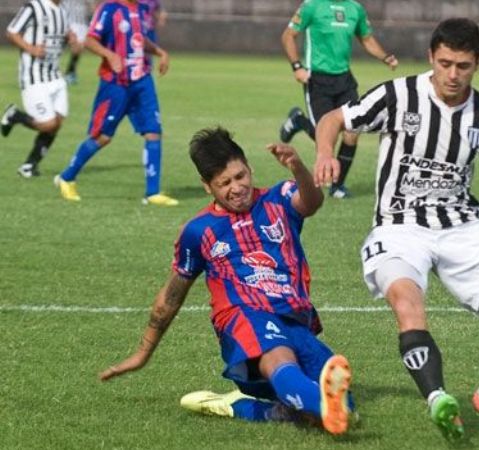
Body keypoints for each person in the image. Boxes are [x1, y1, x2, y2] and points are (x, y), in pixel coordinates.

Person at [314, 18, 479, 441]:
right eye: (444, 63)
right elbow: (334, 118)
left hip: (461, 228)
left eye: (462, 66)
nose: (452, 74)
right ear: (431, 57)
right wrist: (323, 153)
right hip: (399, 227)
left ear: (477, 63)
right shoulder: (398, 95)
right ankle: (437, 398)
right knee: (408, 303)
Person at [98, 127, 354, 436]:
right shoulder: (198, 231)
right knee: (285, 364)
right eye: (224, 183)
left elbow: (311, 203)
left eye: (240, 176)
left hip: (293, 317)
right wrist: (142, 354)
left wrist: (298, 167)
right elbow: (171, 296)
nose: (237, 188)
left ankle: (242, 406)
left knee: (341, 407)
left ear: (249, 168)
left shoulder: (279, 198)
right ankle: (315, 402)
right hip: (242, 317)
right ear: (207, 186)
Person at [54, 0, 177, 205]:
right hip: (115, 84)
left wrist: (160, 52)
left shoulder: (142, 9)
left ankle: (152, 192)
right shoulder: (109, 9)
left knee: (153, 131)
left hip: (142, 81)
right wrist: (110, 55)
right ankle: (67, 178)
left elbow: (140, 39)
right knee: (102, 137)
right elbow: (90, 40)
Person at [280, 0, 398, 199]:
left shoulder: (355, 8)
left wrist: (386, 57)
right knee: (325, 136)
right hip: (317, 81)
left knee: (352, 131)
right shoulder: (311, 6)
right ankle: (299, 121)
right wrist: (297, 67)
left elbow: (366, 38)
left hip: (345, 80)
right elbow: (288, 36)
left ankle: (338, 185)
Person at [2, 0, 76, 178]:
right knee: (48, 123)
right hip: (34, 76)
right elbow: (11, 32)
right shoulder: (34, 6)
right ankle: (14, 115)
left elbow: (60, 36)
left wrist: (69, 37)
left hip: (55, 76)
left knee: (56, 123)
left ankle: (29, 166)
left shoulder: (62, 11)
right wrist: (31, 48)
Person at [62, 0, 92, 85]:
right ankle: (67, 73)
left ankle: (70, 73)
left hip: (82, 24)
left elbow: (90, 7)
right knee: (74, 47)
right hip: (70, 22)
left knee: (79, 49)